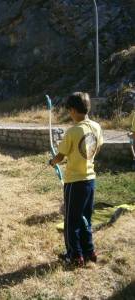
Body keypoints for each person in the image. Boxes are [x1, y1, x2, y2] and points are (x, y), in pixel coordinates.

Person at [49, 92, 103, 267]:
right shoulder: (96, 126)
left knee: (71, 220)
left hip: (75, 183)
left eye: (69, 111)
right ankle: (89, 252)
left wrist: (53, 161)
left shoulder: (73, 131)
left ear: (72, 110)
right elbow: (96, 148)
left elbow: (59, 156)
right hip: (90, 180)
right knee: (85, 218)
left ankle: (74, 256)